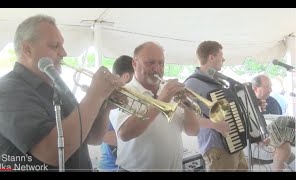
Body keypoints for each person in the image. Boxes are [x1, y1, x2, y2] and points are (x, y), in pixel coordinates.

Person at [0, 14, 125, 172]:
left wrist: (104, 106)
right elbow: (52, 154)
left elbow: (93, 137)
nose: (64, 52)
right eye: (55, 46)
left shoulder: (57, 87)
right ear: (27, 49)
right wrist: (94, 95)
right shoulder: (6, 91)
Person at [111, 41, 201, 172]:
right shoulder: (122, 92)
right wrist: (162, 99)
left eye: (161, 63)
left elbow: (193, 131)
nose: (157, 68)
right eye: (150, 62)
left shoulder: (169, 90)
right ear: (134, 64)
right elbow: (125, 133)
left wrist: (188, 107)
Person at [184, 40, 248, 172]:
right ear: (211, 57)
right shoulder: (191, 84)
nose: (223, 59)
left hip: (235, 142)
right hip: (216, 148)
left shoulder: (218, 80)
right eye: (221, 56)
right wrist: (215, 125)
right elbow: (186, 118)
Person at [97, 55, 134, 172]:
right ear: (127, 76)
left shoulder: (129, 98)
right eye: (136, 77)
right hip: (111, 168)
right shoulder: (109, 98)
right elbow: (103, 136)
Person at [251, 74, 294, 171]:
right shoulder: (246, 103)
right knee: (284, 145)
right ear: (255, 89)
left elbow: (278, 123)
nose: (270, 90)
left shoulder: (272, 102)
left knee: (287, 148)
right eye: (267, 87)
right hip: (255, 139)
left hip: (270, 135)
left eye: (271, 86)